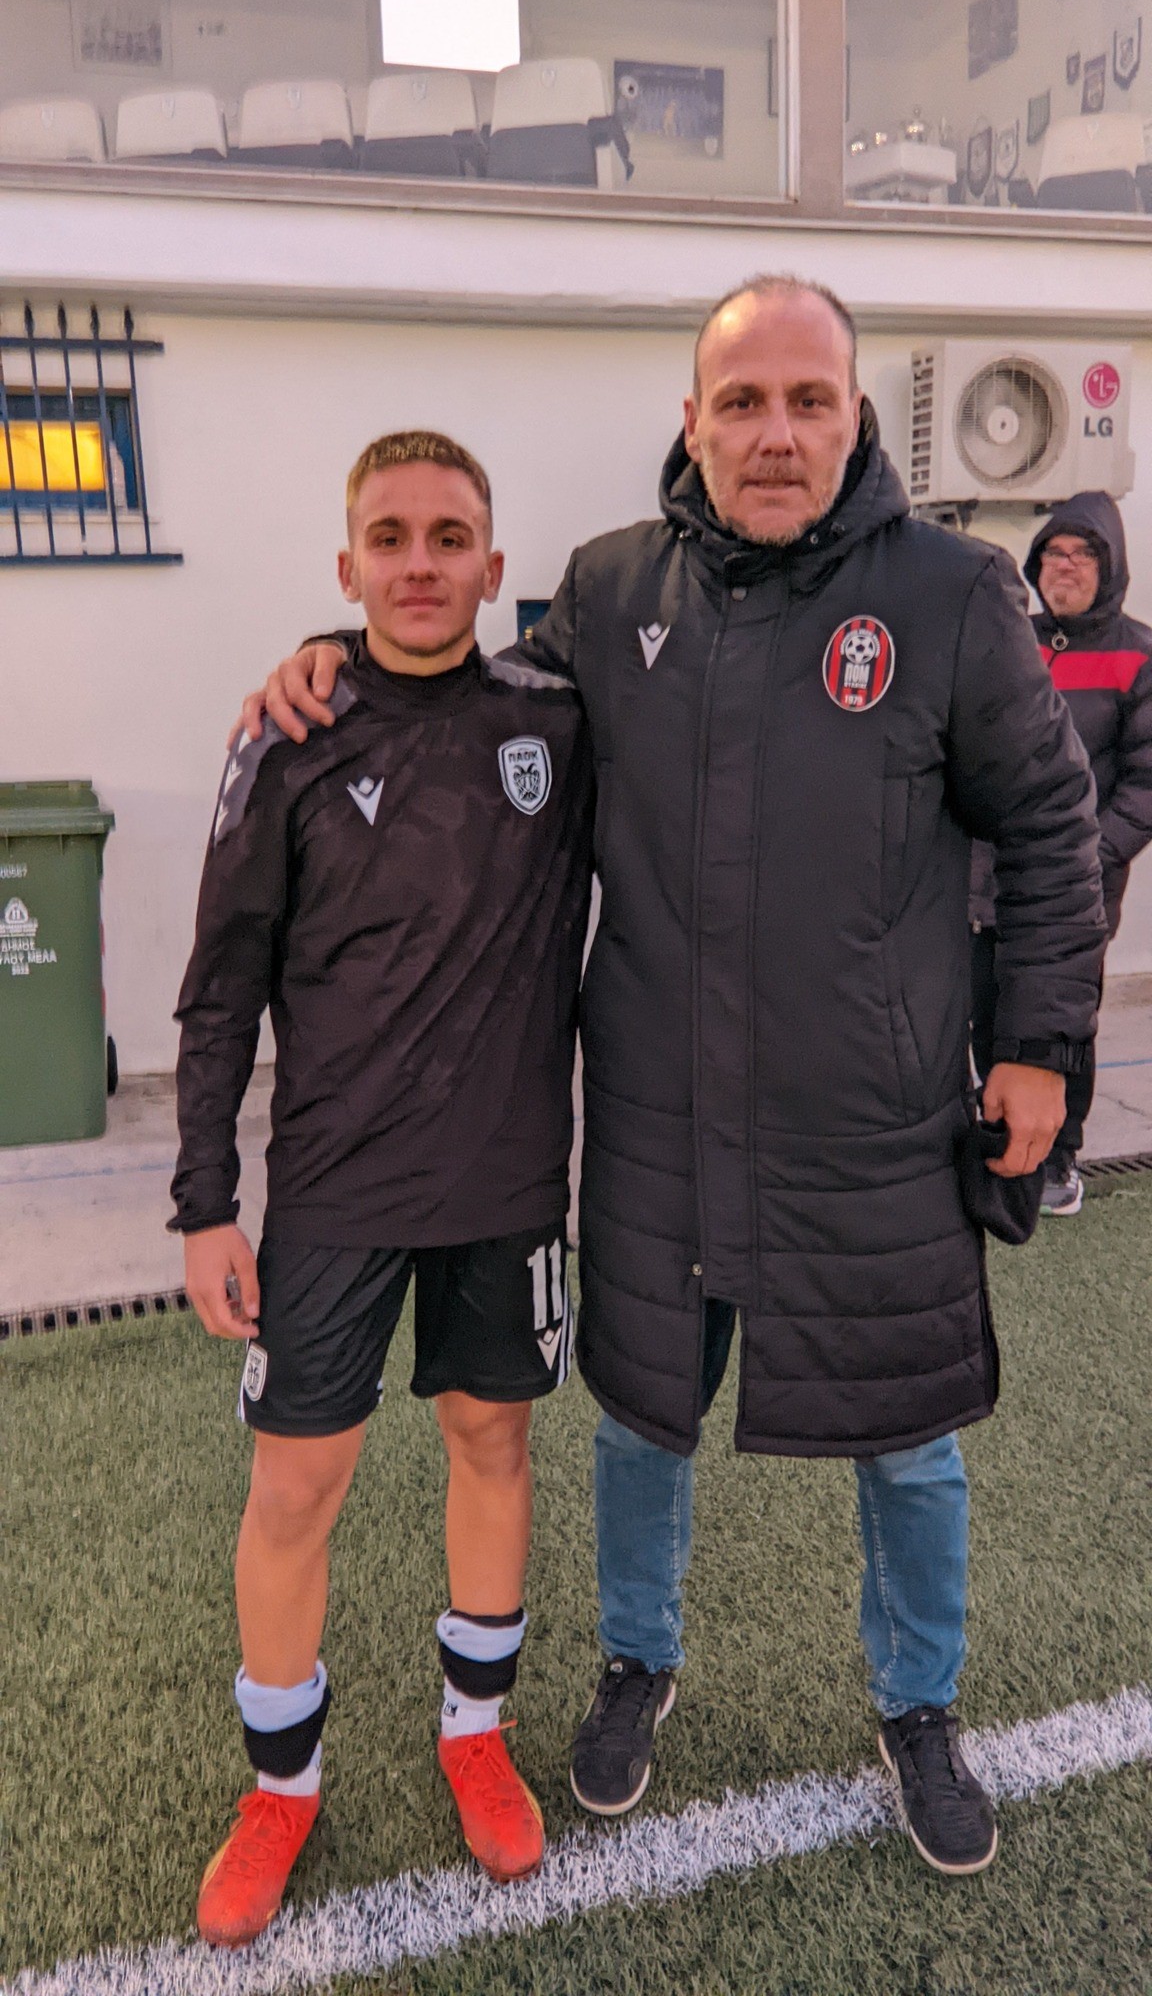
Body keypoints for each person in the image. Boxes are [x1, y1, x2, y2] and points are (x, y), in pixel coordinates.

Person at [240, 276, 1104, 1880]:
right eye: (742, 403)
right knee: (643, 1419)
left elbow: (1053, 826)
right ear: (691, 422)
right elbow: (461, 694)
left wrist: (1043, 1047)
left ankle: (919, 1705)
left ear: (855, 416)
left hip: (876, 1121)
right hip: (656, 1114)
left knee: (909, 1437)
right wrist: (329, 658)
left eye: (807, 401)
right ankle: (637, 1664)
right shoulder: (608, 589)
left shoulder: (954, 595)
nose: (775, 434)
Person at [172, 430, 592, 1945]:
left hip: (506, 1185)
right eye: (392, 538)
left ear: (494, 564)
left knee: (494, 1442)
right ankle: (280, 1785)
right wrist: (204, 1201)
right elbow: (222, 984)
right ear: (346, 567)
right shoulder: (288, 734)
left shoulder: (560, 718)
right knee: (296, 1487)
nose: (422, 564)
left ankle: (476, 1735)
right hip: (335, 1191)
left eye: (450, 537)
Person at [970, 492, 1152, 1217]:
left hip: (1076, 892)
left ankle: (1058, 1159)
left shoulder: (1139, 656)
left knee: (1057, 1022)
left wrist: (1088, 857)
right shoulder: (1014, 643)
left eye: (1082, 554)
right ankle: (1000, 1143)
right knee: (987, 1016)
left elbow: (1146, 783)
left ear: (1110, 568)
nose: (1064, 566)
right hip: (987, 884)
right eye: (1053, 552)